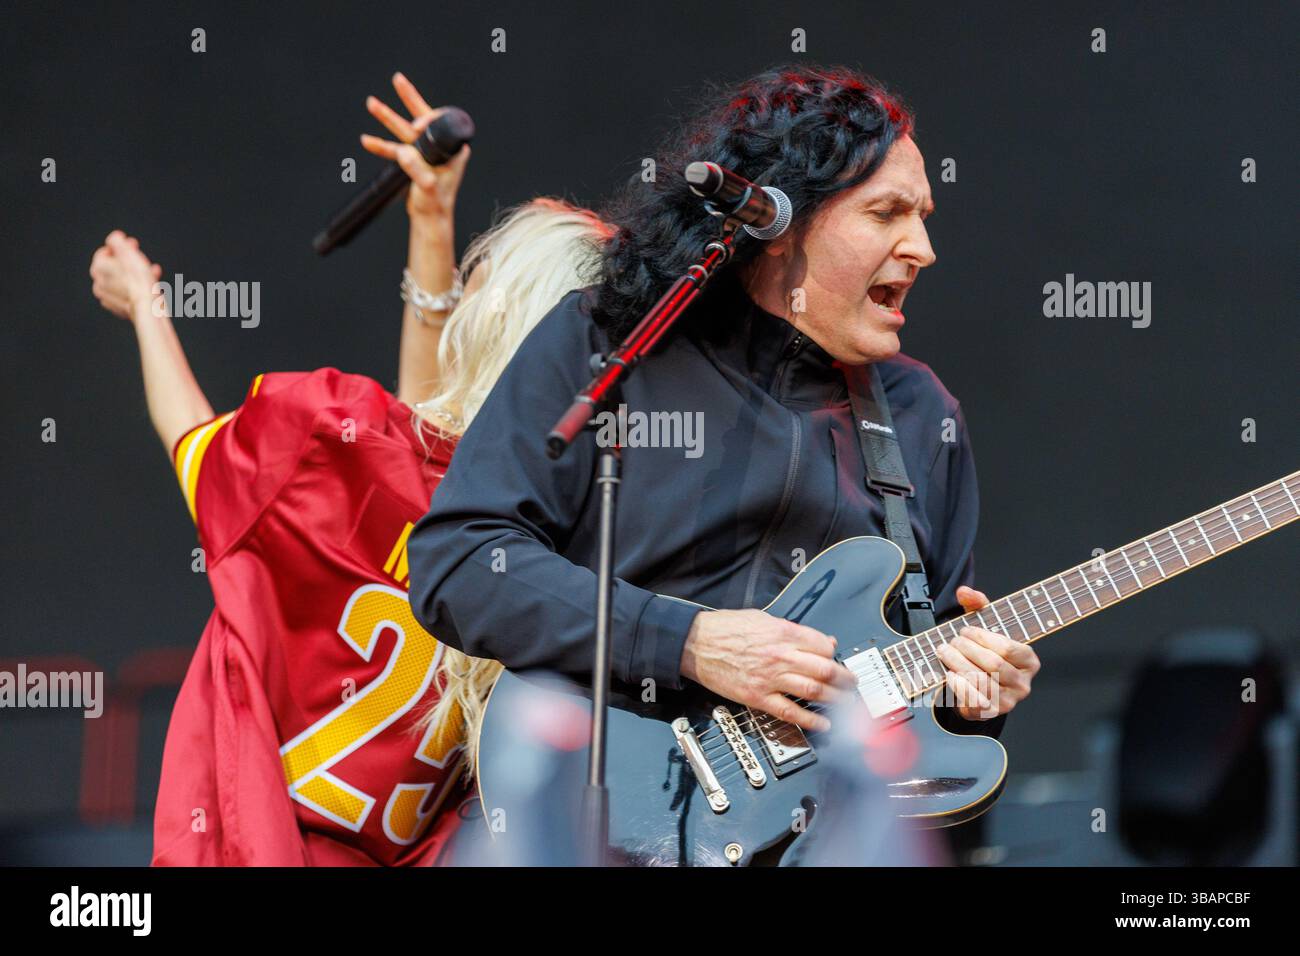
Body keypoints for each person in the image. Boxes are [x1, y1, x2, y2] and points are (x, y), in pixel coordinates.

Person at [406, 65, 1042, 850]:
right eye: (887, 213)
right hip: (595, 825)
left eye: (924, 215)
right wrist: (691, 643)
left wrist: (977, 695)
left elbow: (923, 681)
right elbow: (460, 563)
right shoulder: (608, 343)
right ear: (780, 225)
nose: (923, 247)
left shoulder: (921, 415)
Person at [88, 71, 612, 865]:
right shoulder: (578, 540)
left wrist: (146, 310)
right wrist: (430, 219)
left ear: (488, 316)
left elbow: (195, 438)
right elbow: (428, 434)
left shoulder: (324, 442)